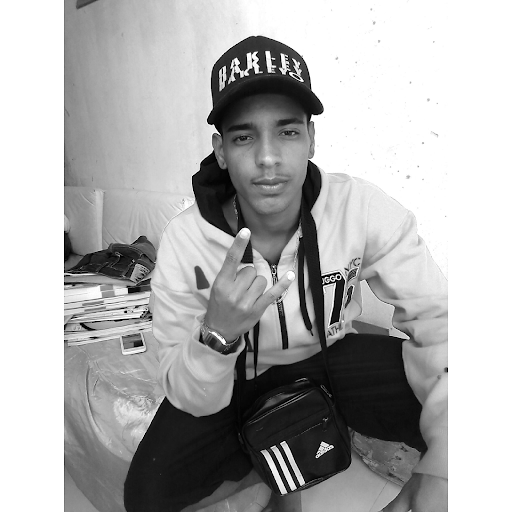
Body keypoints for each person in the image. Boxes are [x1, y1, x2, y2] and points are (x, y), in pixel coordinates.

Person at [124, 36, 447, 512]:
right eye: (243, 137)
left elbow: (440, 319)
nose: (268, 158)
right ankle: (273, 469)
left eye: (288, 132)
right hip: (235, 376)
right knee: (148, 494)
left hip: (330, 359)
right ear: (220, 150)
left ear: (312, 138)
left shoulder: (359, 207)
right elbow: (187, 391)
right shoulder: (185, 240)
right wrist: (216, 336)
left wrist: (443, 469)